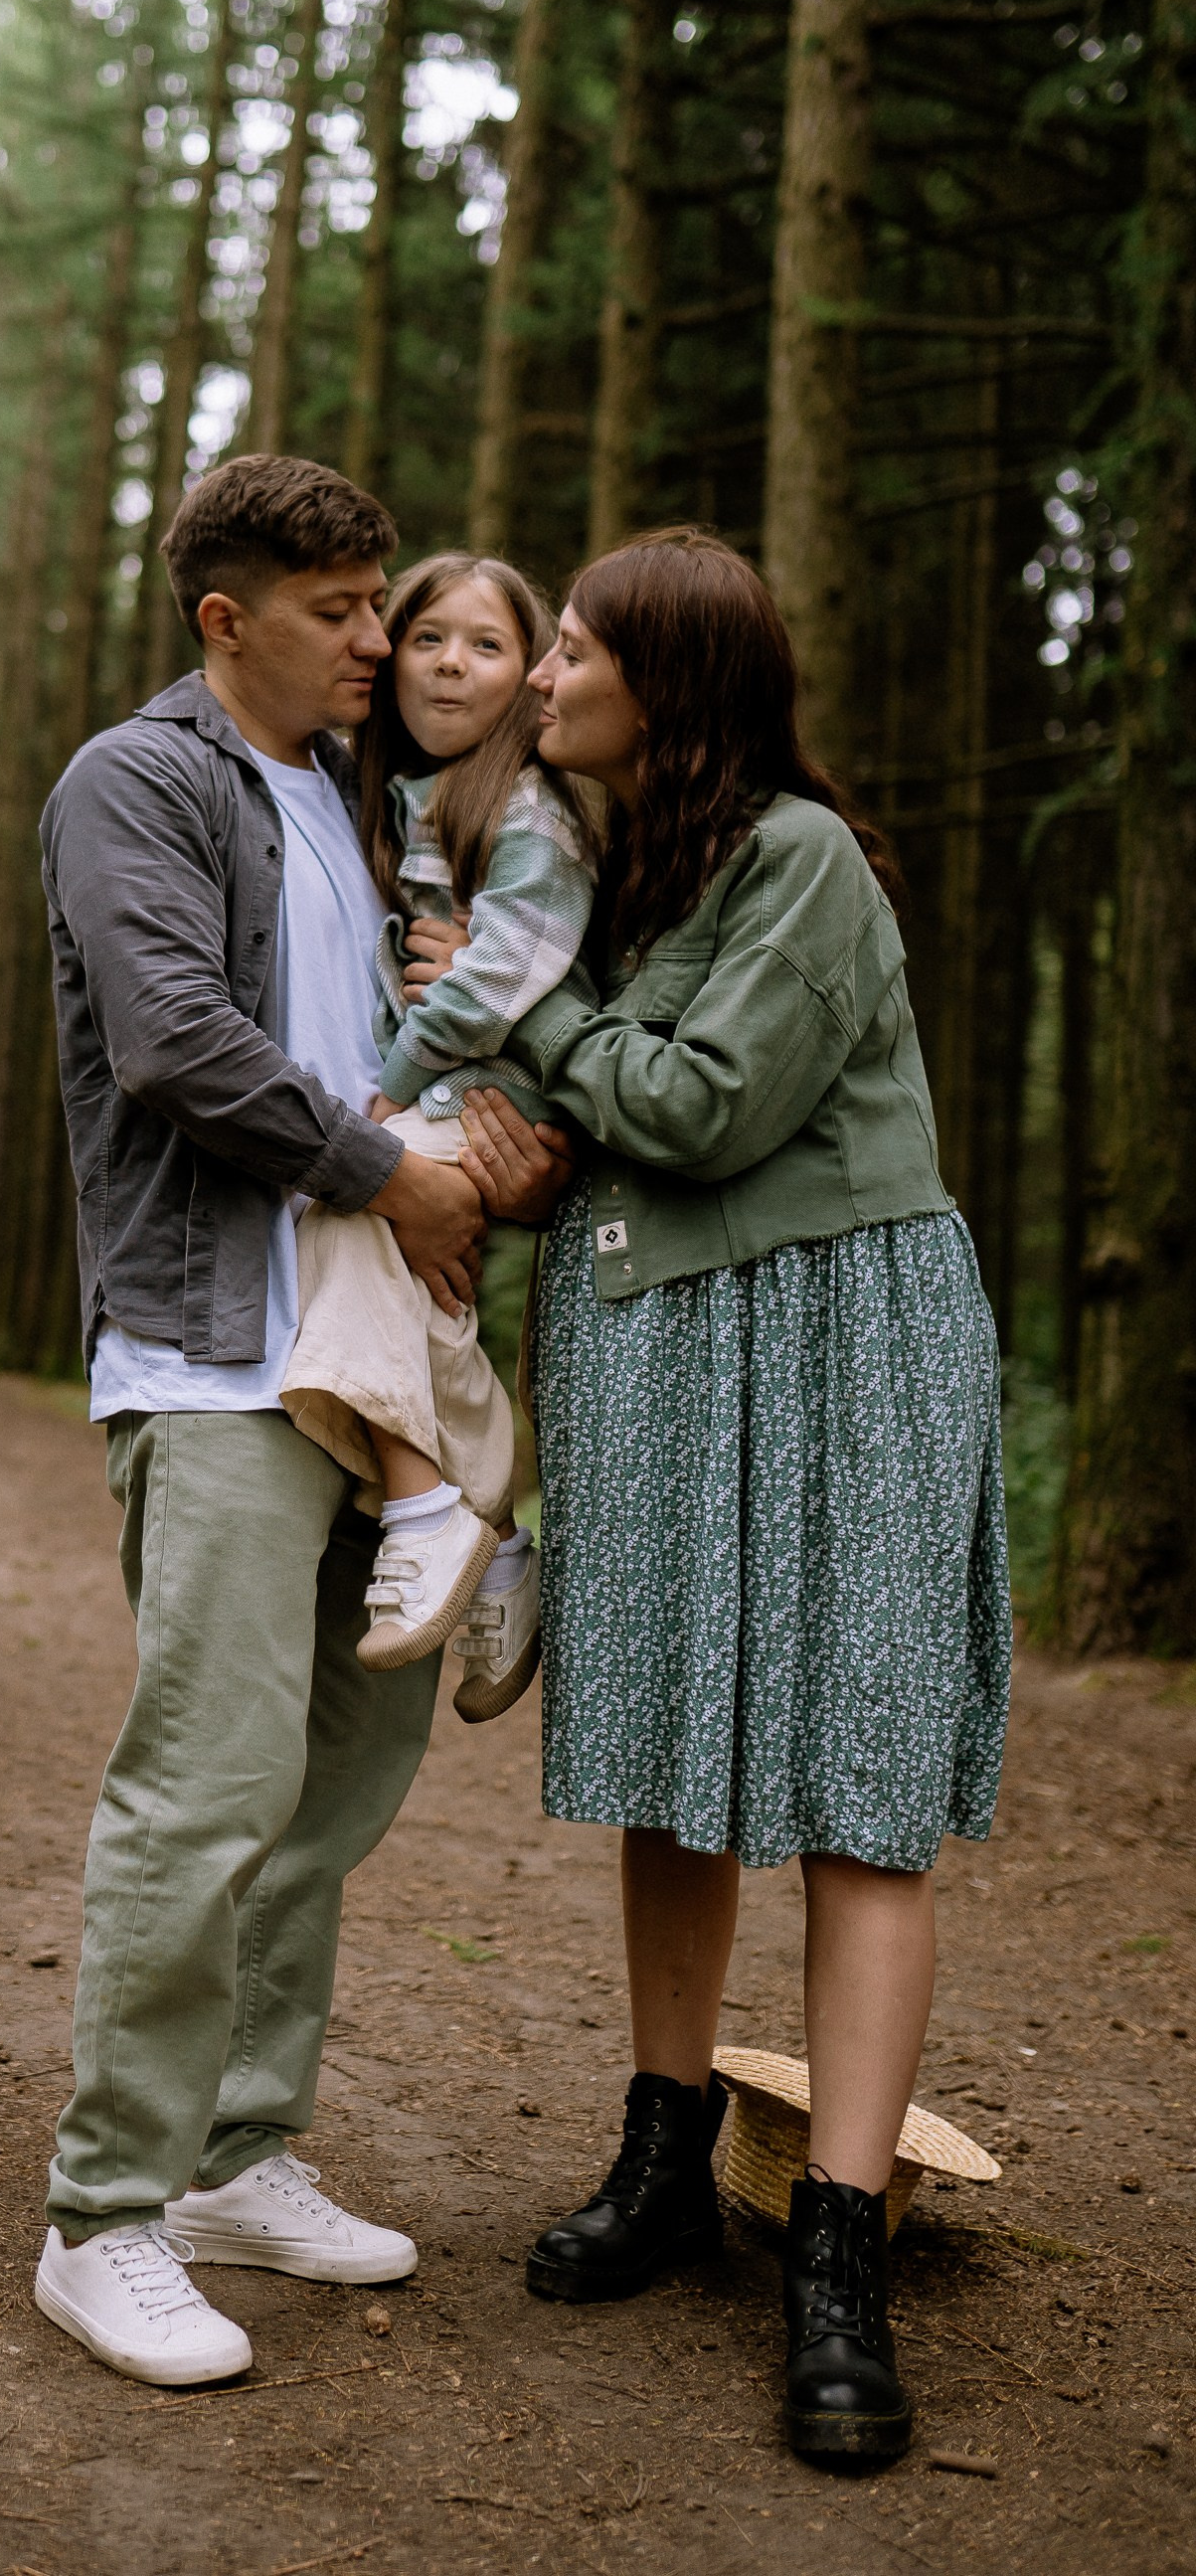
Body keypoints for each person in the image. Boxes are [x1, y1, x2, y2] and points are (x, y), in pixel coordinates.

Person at [456, 528, 1011, 2471]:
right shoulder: (609, 877)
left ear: (667, 685)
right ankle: (662, 2154)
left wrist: (518, 1018)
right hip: (652, 1345)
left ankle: (835, 2257)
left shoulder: (800, 859)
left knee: (857, 1789)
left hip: (844, 1339)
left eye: (575, 648)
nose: (541, 674)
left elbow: (695, 1108)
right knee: (673, 1762)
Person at [34, 453, 575, 2390]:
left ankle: (234, 2153)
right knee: (205, 1780)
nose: (379, 638)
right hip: (213, 1360)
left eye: (384, 606)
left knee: (338, 1789)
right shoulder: (140, 783)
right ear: (224, 619)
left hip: (373, 1371)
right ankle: (103, 2214)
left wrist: (488, 1138)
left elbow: (420, 1034)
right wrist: (384, 1169)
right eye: (343, 611)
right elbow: (176, 1040)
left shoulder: (359, 808)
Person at [279, 551, 592, 1719]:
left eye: (486, 644)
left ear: (527, 676)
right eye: (426, 638)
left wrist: (387, 1093)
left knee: (352, 1210)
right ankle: (498, 1541)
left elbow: (498, 977)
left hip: (487, 1105)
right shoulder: (394, 799)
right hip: (441, 1099)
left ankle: (424, 1509)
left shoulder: (524, 811)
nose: (450, 664)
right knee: (423, 1301)